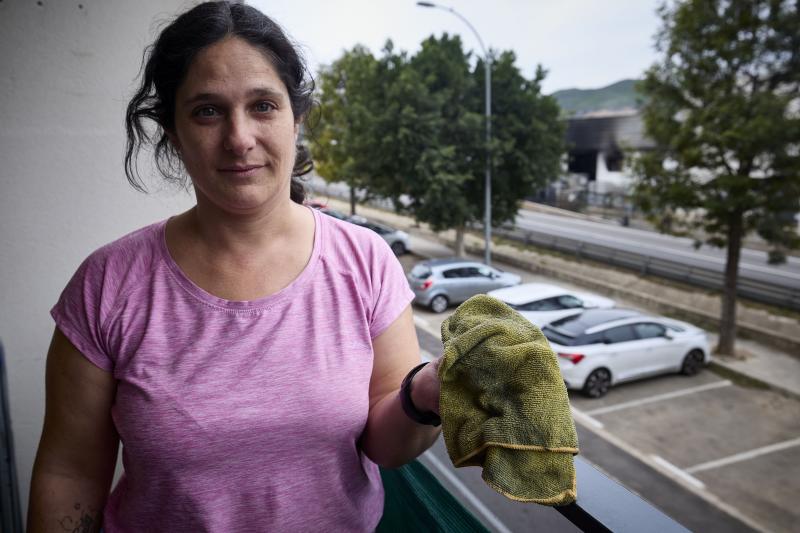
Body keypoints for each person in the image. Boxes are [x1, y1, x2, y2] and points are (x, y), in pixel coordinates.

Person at [27, 2, 442, 531]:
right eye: (207, 111)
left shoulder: (365, 261)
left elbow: (385, 445)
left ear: (297, 117)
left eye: (263, 106)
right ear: (173, 134)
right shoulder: (107, 285)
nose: (239, 138)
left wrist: (427, 391)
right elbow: (70, 474)